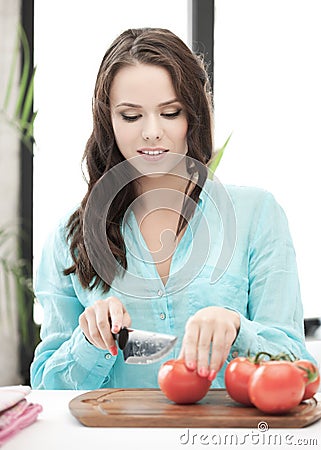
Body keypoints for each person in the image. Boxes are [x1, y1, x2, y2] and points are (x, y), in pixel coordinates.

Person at [30, 28, 314, 390]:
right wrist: (88, 342)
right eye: (131, 116)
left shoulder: (258, 215)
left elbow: (296, 363)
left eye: (170, 112)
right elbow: (45, 387)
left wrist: (237, 329)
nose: (151, 132)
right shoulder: (70, 237)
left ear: (193, 115)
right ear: (108, 122)